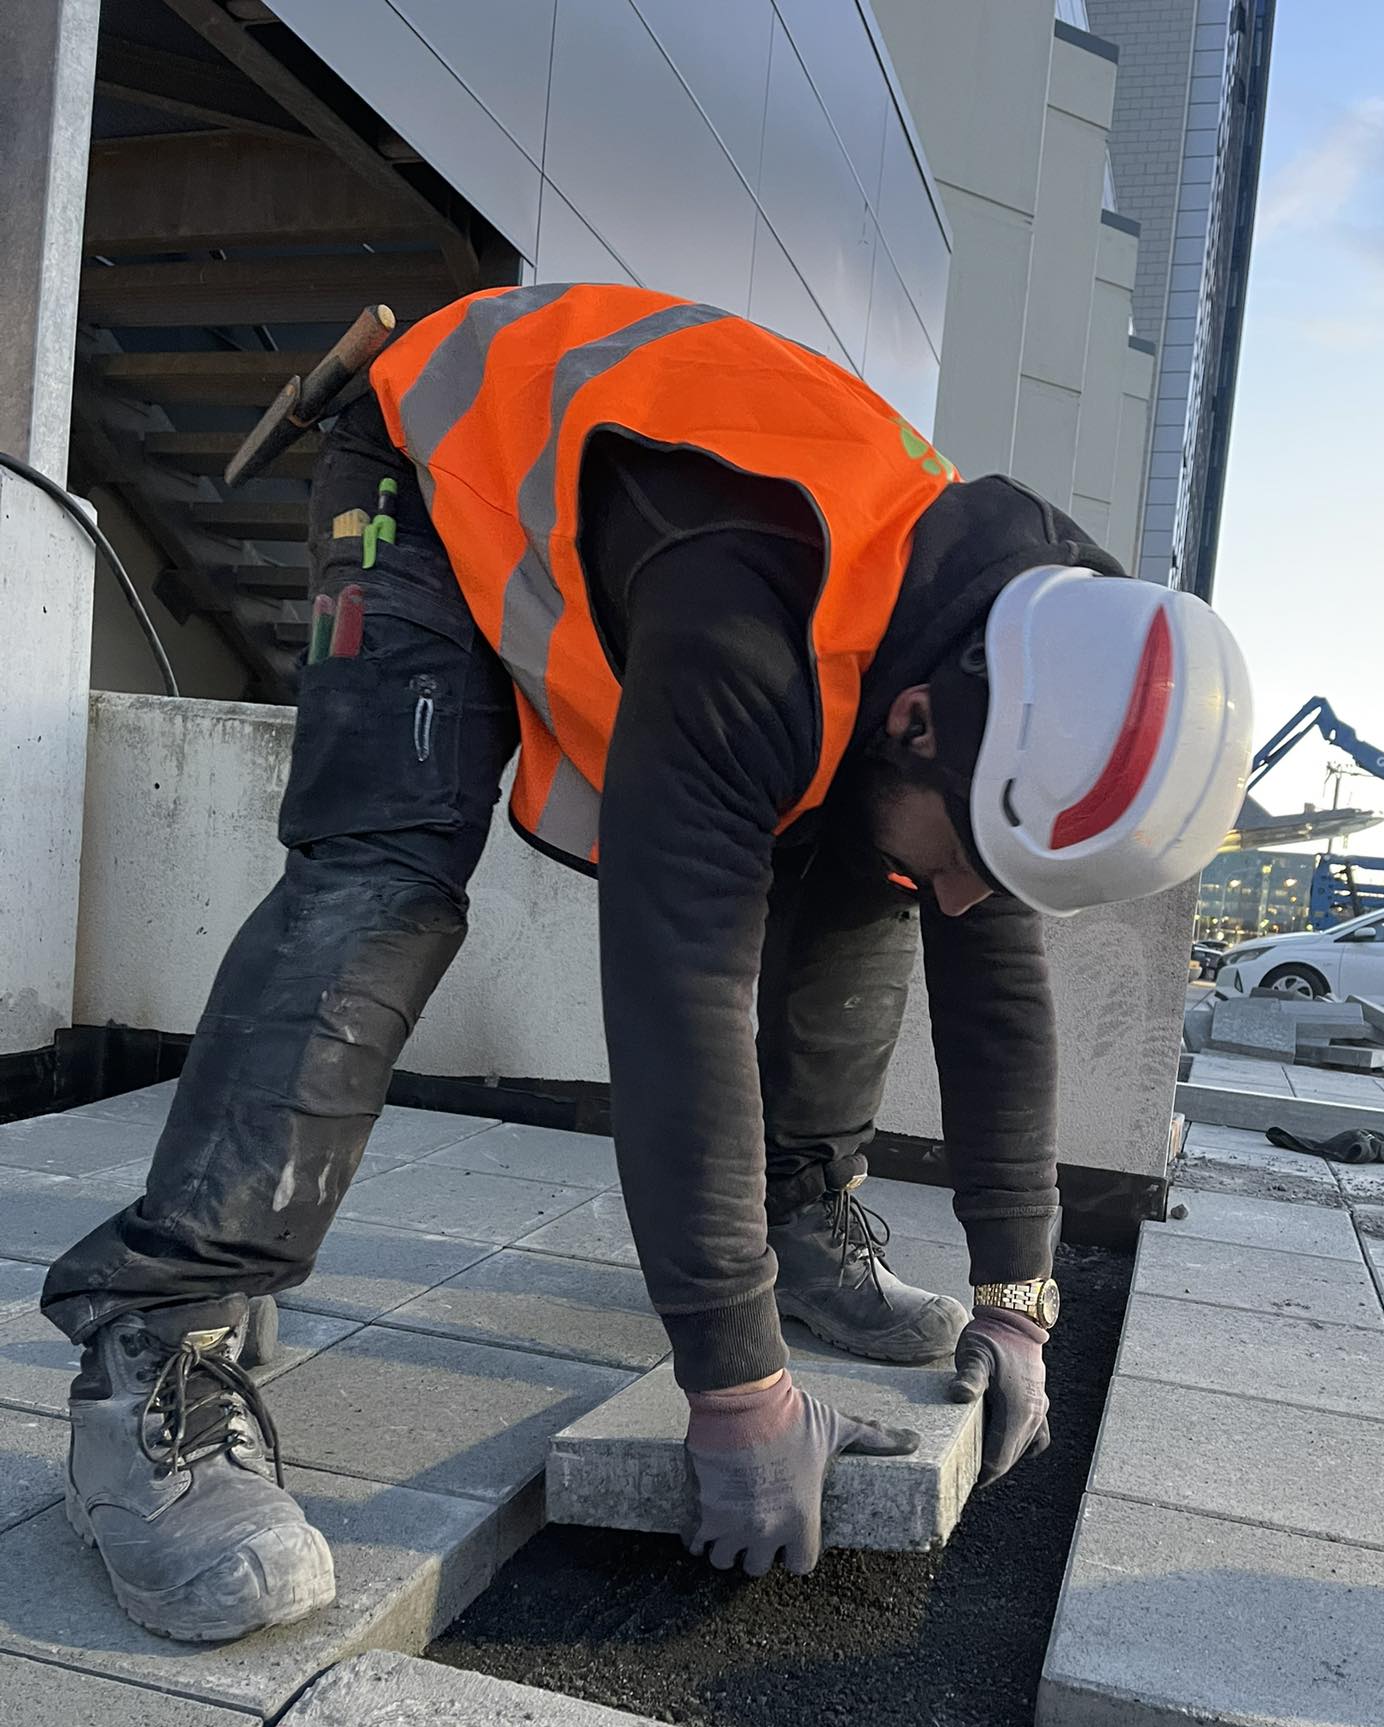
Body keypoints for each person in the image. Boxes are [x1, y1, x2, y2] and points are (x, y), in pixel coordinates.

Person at [41, 283, 1251, 1642]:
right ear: (918, 719)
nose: (972, 895)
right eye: (976, 849)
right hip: (426, 472)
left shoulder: (1029, 657)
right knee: (384, 872)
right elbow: (681, 1003)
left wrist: (1019, 1295)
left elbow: (997, 970)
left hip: (668, 549)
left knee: (882, 875)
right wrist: (736, 1388)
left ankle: (800, 1219)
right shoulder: (755, 625)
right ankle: (160, 1339)